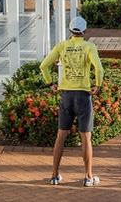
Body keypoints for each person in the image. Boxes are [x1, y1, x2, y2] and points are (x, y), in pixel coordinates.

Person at [40, 16, 104, 187]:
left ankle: (54, 175)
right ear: (84, 31)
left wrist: (50, 83)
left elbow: (44, 65)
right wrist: (97, 85)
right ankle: (88, 177)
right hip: (83, 96)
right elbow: (98, 68)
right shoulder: (89, 46)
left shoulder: (62, 46)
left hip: (66, 96)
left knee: (61, 136)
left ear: (70, 30)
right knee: (86, 138)